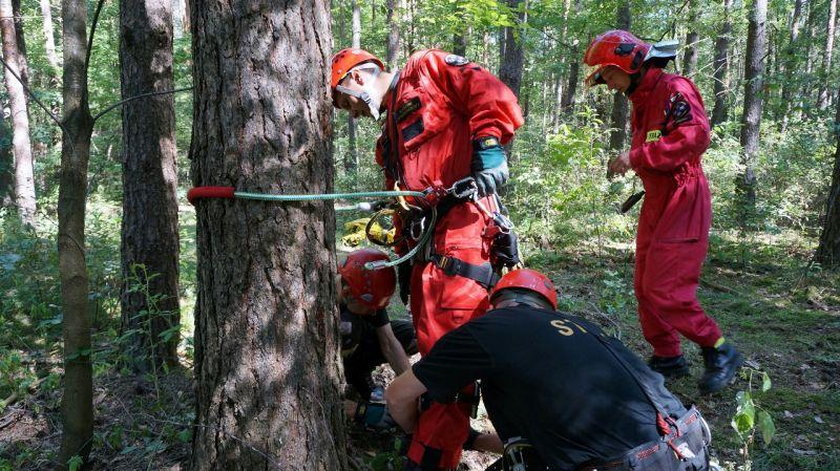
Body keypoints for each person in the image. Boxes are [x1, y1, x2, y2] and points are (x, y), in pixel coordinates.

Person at [331, 47, 524, 469]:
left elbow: (493, 94)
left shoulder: (428, 70)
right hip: (427, 254)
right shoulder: (390, 140)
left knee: (448, 366)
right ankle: (434, 445)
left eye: (344, 101)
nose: (351, 113)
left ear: (357, 80)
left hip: (462, 239)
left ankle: (434, 456)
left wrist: (489, 147)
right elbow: (405, 200)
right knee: (438, 361)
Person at [386, 269, 714, 471]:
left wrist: (415, 429)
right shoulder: (583, 327)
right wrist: (475, 440)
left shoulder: (489, 329)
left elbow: (397, 395)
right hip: (689, 444)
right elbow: (548, 439)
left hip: (624, 464)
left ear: (494, 303)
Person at [583, 30, 742, 394]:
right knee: (644, 285)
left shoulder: (674, 89)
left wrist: (635, 157)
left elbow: (695, 137)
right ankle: (668, 356)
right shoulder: (642, 97)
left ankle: (719, 349)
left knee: (664, 288)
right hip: (657, 198)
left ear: (629, 63)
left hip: (683, 197)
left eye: (609, 75)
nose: (608, 85)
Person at [339, 249, 417, 427]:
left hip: (362, 342)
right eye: (370, 307)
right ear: (346, 294)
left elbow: (389, 342)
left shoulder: (364, 291)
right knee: (349, 328)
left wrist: (413, 389)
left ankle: (361, 372)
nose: (375, 311)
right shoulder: (336, 302)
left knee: (411, 334)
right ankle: (353, 378)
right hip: (347, 348)